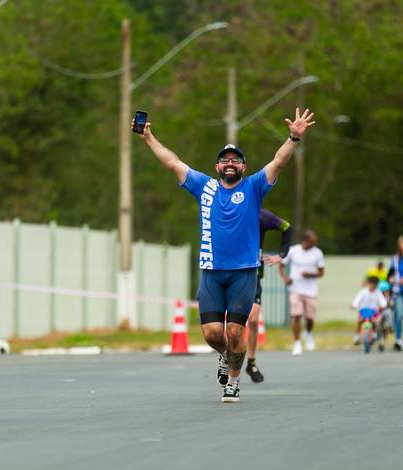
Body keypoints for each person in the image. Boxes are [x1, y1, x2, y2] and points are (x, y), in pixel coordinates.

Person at [134, 108, 316, 403]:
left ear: (243, 166)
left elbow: (278, 163)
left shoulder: (254, 187)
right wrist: (148, 137)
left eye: (236, 160)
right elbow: (173, 163)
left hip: (243, 273)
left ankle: (233, 382)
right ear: (217, 166)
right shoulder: (204, 187)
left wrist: (293, 138)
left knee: (234, 332)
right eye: (225, 160)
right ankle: (227, 357)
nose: (230, 163)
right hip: (211, 272)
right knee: (212, 334)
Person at [245, 209, 293, 383]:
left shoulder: (262, 215)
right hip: (231, 273)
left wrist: (281, 255)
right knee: (233, 323)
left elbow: (287, 227)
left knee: (253, 320)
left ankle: (251, 362)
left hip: (254, 275)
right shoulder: (230, 210)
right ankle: (228, 360)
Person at [278, 230, 325, 356]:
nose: (314, 244)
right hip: (295, 289)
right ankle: (297, 344)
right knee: (296, 316)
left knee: (310, 318)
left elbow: (321, 272)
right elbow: (281, 265)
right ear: (305, 240)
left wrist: (311, 274)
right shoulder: (293, 251)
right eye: (312, 242)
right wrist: (285, 278)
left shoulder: (317, 253)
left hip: (311, 290)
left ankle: (308, 334)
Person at [351, 276, 388, 349]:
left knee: (375, 321)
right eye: (371, 284)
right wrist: (354, 305)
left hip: (373, 311)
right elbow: (357, 299)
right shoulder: (363, 292)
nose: (372, 286)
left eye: (374, 284)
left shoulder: (378, 292)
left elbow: (382, 301)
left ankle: (374, 334)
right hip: (364, 311)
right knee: (359, 321)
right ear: (368, 284)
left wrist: (383, 305)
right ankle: (357, 336)